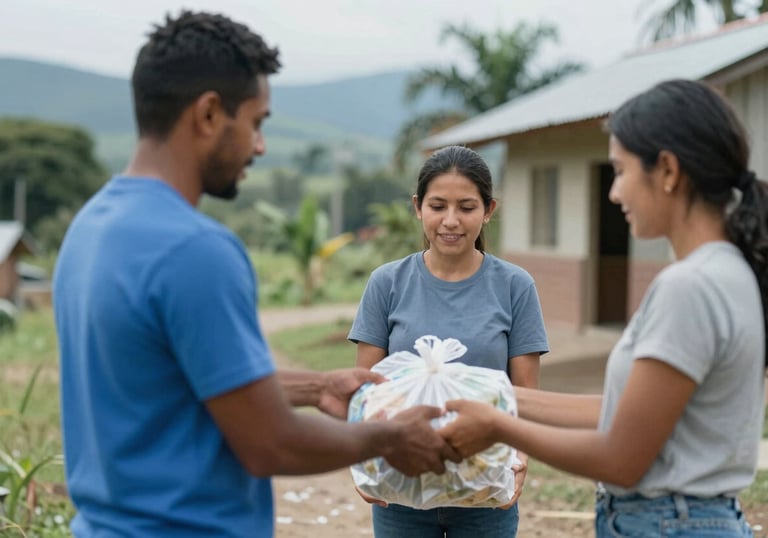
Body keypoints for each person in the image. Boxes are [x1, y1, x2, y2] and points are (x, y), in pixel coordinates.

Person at [52, 10, 460, 538]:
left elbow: (181, 381)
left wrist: (316, 387)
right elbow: (270, 442)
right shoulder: (195, 249)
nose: (260, 146)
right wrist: (388, 437)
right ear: (208, 114)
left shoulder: (92, 227)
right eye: (256, 122)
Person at [439, 79, 768, 537]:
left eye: (621, 171)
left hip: (666, 524)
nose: (614, 194)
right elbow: (623, 412)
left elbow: (622, 458)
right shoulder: (728, 271)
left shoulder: (689, 286)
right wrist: (498, 396)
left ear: (668, 170)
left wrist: (498, 427)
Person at [347, 145, 550, 537]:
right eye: (438, 206)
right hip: (401, 483)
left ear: (489, 210)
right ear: (418, 207)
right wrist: (362, 457)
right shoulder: (387, 283)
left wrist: (519, 458)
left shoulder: (514, 287)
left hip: (484, 485)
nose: (451, 221)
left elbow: (524, 394)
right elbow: (365, 391)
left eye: (467, 207)